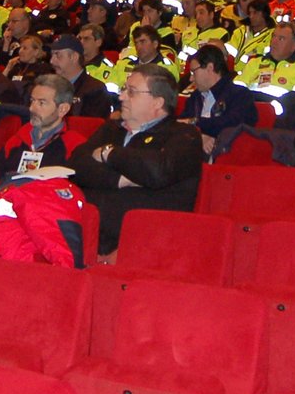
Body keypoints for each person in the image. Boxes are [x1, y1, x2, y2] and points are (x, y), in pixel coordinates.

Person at [70, 63, 204, 258]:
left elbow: (157, 172)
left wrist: (109, 153)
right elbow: (76, 166)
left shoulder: (184, 136)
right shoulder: (111, 129)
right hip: (85, 238)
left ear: (157, 102)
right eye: (124, 89)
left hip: (147, 247)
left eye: (131, 91)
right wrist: (118, 179)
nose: (121, 96)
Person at [0, 74, 87, 183]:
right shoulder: (16, 140)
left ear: (62, 109)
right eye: (32, 101)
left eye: (41, 103)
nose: (32, 108)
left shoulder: (75, 146)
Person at [175, 43, 257, 155]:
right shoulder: (195, 97)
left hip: (226, 153)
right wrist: (199, 136)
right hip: (193, 152)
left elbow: (232, 124)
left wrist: (194, 123)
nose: (191, 78)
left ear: (210, 68)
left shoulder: (240, 94)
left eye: (194, 72)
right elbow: (180, 125)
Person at [47, 35, 114, 118]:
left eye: (58, 55)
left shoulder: (95, 90)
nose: (52, 61)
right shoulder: (49, 86)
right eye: (52, 55)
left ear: (74, 57)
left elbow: (91, 126)